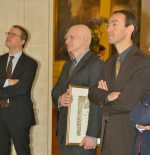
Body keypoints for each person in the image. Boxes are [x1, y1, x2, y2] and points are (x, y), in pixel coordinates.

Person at [88, 10, 150, 155]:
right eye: (108, 25)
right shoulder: (109, 62)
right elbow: (92, 93)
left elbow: (127, 102)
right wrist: (108, 96)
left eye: (114, 24)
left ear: (130, 29)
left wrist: (102, 99)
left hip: (129, 139)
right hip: (107, 139)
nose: (108, 29)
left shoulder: (143, 62)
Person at [51, 24, 103, 155]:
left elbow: (97, 101)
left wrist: (92, 135)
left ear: (84, 39)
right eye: (66, 38)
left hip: (83, 137)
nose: (67, 41)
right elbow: (56, 90)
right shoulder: (68, 64)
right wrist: (60, 99)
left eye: (71, 37)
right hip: (65, 133)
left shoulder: (96, 64)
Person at [0, 25, 38, 155]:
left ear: (22, 41)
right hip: (1, 113)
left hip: (20, 115)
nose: (8, 36)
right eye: (8, 33)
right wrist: (9, 81)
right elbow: (17, 87)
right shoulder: (0, 60)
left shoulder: (31, 63)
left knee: (23, 152)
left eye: (13, 34)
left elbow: (22, 88)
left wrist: (2, 84)